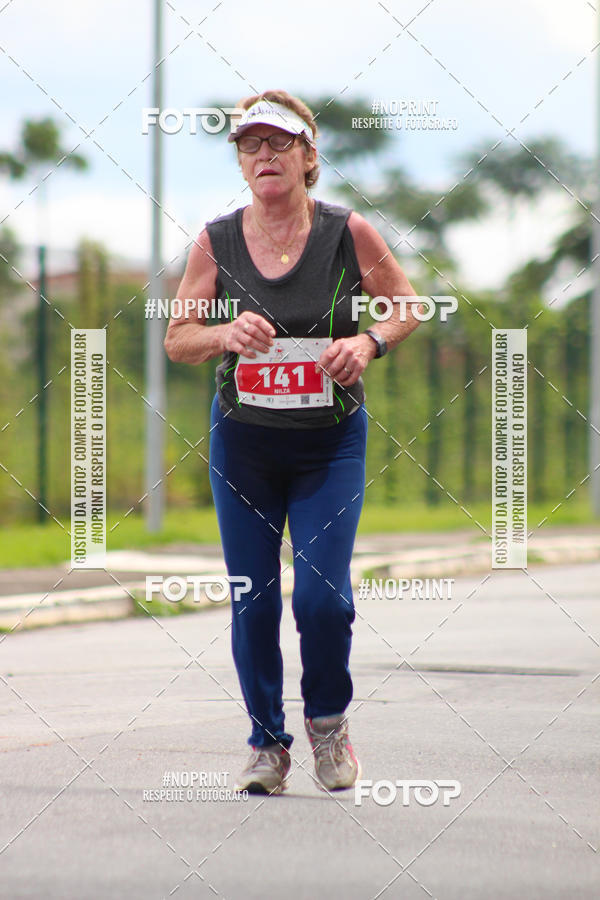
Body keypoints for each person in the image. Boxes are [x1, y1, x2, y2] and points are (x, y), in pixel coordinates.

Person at [164, 89, 420, 795]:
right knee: (254, 599)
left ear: (309, 156)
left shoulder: (347, 232)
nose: (264, 154)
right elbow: (178, 339)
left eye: (279, 142)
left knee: (323, 601)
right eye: (250, 144)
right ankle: (266, 744)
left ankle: (328, 722)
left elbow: (407, 306)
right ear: (240, 162)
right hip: (244, 445)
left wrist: (367, 343)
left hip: (327, 447)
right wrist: (224, 333)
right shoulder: (215, 240)